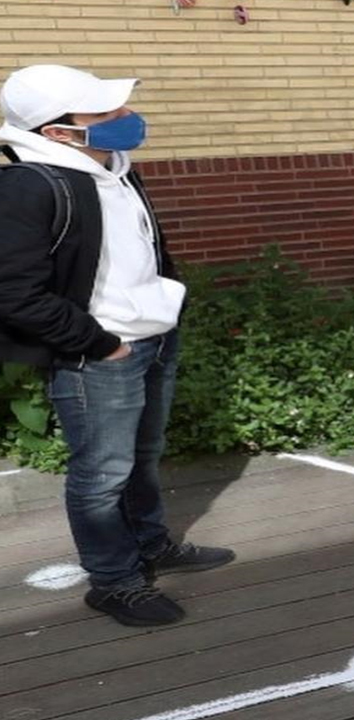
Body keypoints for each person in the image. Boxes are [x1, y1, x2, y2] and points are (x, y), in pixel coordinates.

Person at [0, 65, 234, 626]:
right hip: (100, 355)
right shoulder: (30, 186)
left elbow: (146, 251)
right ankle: (113, 581)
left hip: (154, 338)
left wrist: (169, 307)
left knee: (142, 458)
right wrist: (99, 344)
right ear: (58, 131)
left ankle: (152, 545)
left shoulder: (115, 168)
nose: (126, 118)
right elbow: (13, 292)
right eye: (106, 113)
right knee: (102, 475)